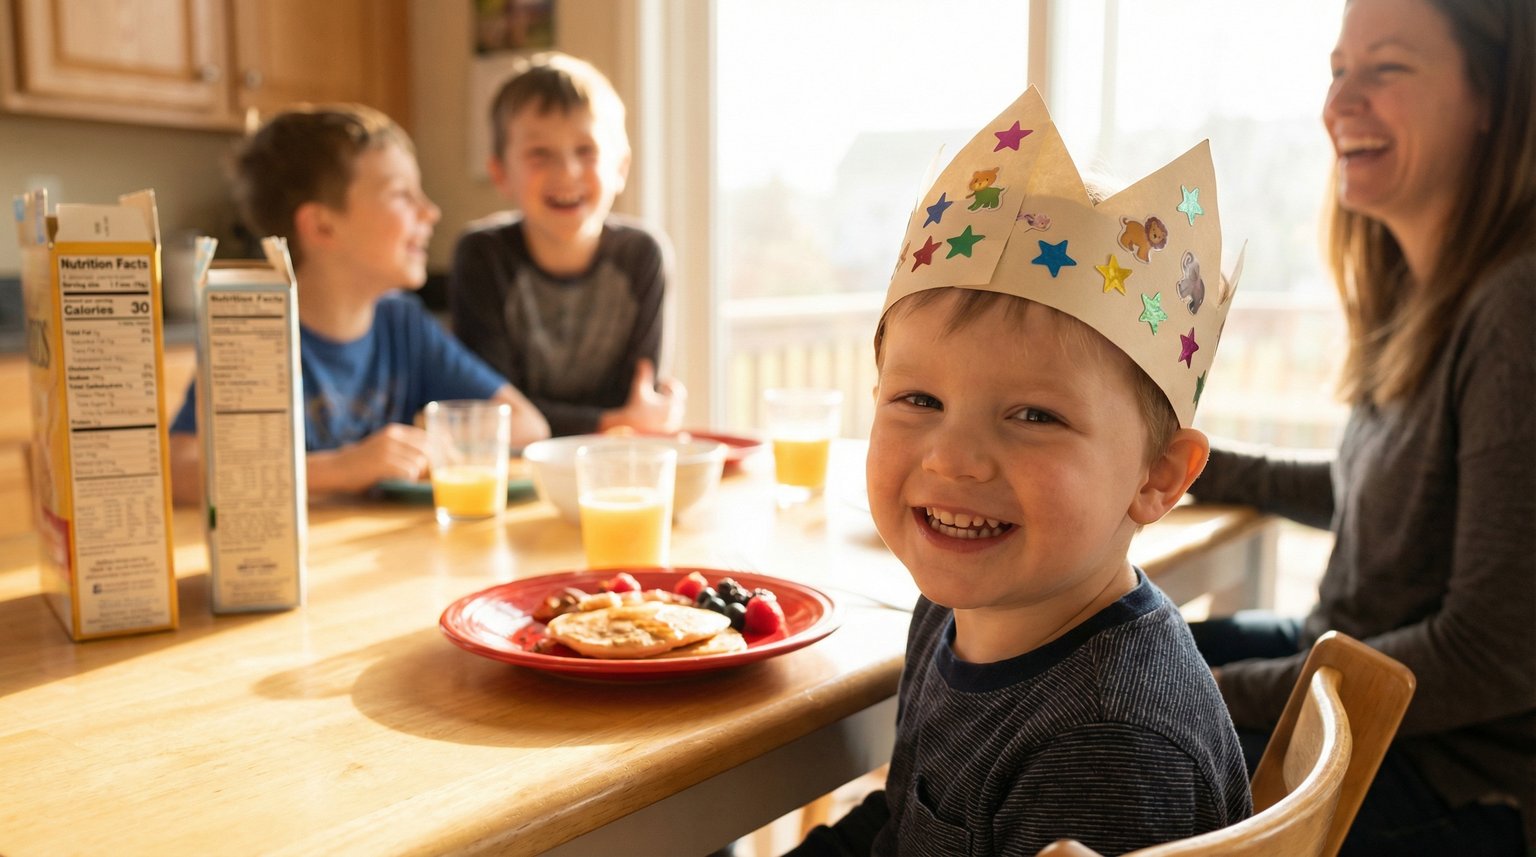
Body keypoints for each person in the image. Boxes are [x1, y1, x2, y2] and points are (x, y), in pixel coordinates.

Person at [790, 89, 1251, 856]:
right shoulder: (952, 610)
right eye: (918, 398)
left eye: (1035, 416)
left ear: (1158, 476)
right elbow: (898, 826)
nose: (952, 457)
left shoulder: (1106, 748)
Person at [1186, 0, 1536, 853]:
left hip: (1453, 770)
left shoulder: (1516, 309)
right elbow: (1376, 492)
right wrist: (1192, 466)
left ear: (1491, 95)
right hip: (1348, 665)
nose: (1338, 103)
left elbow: (1489, 652)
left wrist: (1232, 693)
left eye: (1385, 68)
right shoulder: (1427, 292)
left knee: (1108, 739)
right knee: (1108, 655)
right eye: (1339, 70)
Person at [168, 104, 549, 503]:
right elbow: (179, 469)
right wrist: (340, 468)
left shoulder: (402, 323)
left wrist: (425, 442)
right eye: (402, 194)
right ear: (322, 226)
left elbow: (527, 424)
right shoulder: (255, 335)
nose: (430, 211)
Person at [449, 51, 685, 437]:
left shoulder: (643, 255)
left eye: (586, 151)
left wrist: (628, 420)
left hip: (614, 465)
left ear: (621, 167)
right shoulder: (482, 255)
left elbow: (638, 400)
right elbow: (494, 410)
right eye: (540, 154)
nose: (567, 172)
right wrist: (610, 422)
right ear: (500, 173)